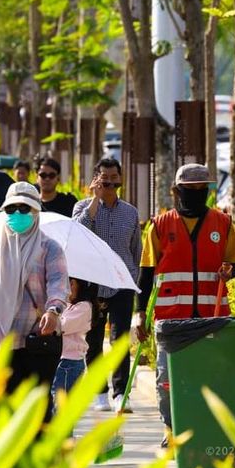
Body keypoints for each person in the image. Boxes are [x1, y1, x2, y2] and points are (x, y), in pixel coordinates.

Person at [136, 163, 235, 448]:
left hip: (212, 316)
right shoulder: (159, 226)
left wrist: (229, 271)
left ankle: (204, 427)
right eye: (189, 189)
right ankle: (171, 429)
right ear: (176, 191)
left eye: (201, 189)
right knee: (166, 380)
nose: (196, 194)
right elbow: (146, 274)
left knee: (209, 376)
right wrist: (139, 315)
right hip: (171, 318)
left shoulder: (223, 223)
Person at [0, 182, 69, 422]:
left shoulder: (50, 249)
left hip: (37, 338)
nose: (17, 214)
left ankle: (37, 458)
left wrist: (53, 310)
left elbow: (59, 284)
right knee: (0, 407)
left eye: (24, 208)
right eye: (11, 209)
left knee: (36, 409)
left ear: (36, 212)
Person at [72, 157, 141, 413]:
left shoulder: (131, 212)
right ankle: (99, 391)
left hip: (122, 281)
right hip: (92, 283)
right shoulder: (82, 207)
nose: (110, 185)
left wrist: (132, 279)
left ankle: (121, 391)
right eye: (104, 180)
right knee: (93, 339)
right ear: (95, 180)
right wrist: (94, 199)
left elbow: (136, 249)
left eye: (114, 180)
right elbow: (78, 232)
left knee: (120, 338)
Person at [51, 277, 96, 428]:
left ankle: (64, 445)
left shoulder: (84, 307)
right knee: (56, 408)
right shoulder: (67, 305)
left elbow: (61, 326)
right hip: (61, 361)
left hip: (69, 364)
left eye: (72, 283)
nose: (68, 286)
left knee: (62, 409)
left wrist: (48, 315)